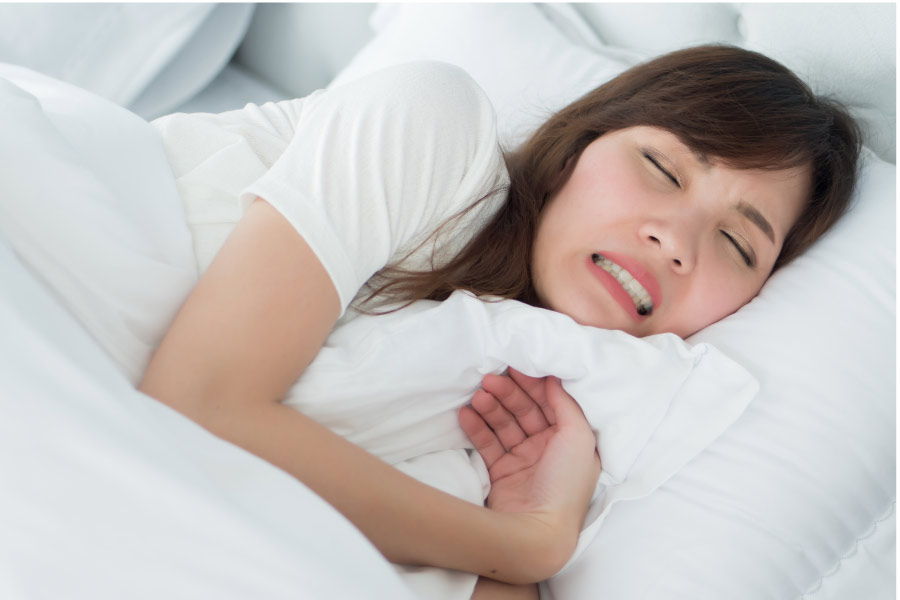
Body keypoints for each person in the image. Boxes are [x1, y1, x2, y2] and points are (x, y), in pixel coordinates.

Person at [140, 45, 860, 599]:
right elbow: (195, 404)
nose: (676, 240)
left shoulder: (536, 425)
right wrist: (527, 545)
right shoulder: (435, 127)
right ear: (578, 147)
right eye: (663, 169)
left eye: (737, 243)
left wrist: (521, 529)